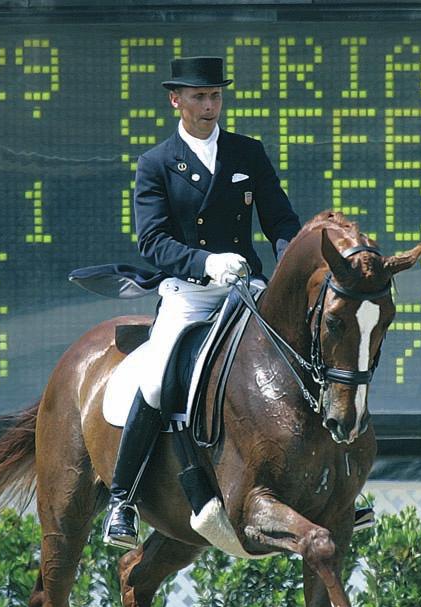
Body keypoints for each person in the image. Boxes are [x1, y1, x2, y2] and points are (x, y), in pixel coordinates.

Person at [103, 55, 301, 546]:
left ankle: (328, 487)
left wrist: (289, 262)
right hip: (190, 293)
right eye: (199, 97)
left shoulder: (247, 153)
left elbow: (279, 220)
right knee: (154, 380)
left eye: (215, 96)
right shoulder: (156, 164)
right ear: (177, 100)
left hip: (245, 289)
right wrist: (204, 262)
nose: (209, 105)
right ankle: (122, 500)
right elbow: (152, 241)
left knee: (299, 359)